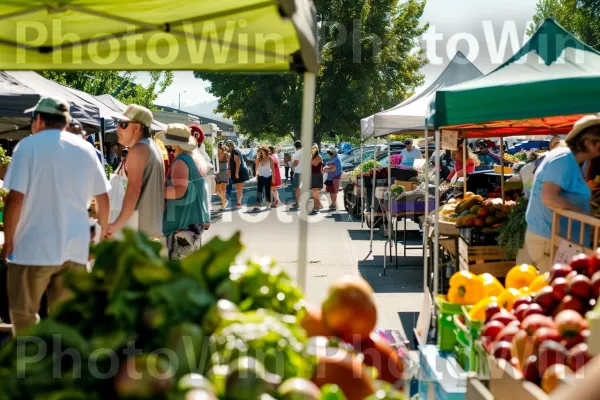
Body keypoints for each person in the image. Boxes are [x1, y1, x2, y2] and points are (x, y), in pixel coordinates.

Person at [3, 96, 110, 335]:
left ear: (39, 120)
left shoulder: (28, 147)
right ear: (65, 121)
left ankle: (31, 365)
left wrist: (8, 240)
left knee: (24, 316)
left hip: (32, 249)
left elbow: (15, 200)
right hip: (75, 249)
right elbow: (103, 198)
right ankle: (63, 365)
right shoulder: (86, 149)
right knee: (68, 320)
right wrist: (100, 237)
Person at [525, 115, 600, 273]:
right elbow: (549, 197)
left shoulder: (570, 160)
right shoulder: (563, 159)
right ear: (587, 142)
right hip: (551, 240)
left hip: (562, 241)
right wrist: (588, 219)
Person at [108, 104, 165, 238]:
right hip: (147, 229)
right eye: (117, 123)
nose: (117, 129)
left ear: (137, 127)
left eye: (123, 124)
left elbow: (133, 191)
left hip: (134, 232)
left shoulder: (138, 150)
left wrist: (115, 225)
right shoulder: (152, 147)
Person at [157, 124, 210, 260]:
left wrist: (155, 191)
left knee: (178, 268)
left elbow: (179, 191)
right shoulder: (192, 158)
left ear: (175, 144)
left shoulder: (180, 161)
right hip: (191, 222)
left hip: (181, 224)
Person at [227, 140, 250, 209]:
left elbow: (238, 163)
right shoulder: (233, 151)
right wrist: (230, 171)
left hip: (240, 171)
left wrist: (236, 173)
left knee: (238, 188)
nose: (227, 148)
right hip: (239, 171)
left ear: (230, 146)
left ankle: (239, 203)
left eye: (228, 146)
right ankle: (239, 203)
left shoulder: (235, 151)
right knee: (239, 188)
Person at [254, 145, 274, 211]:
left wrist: (274, 176)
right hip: (261, 176)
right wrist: (256, 176)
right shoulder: (258, 159)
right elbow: (256, 169)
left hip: (268, 176)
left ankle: (268, 203)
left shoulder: (270, 158)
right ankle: (258, 205)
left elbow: (273, 168)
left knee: (267, 190)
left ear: (265, 151)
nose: (261, 153)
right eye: (260, 152)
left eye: (262, 151)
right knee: (259, 191)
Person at [216, 142, 230, 210]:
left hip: (224, 172)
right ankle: (224, 200)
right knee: (216, 190)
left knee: (223, 189)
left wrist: (229, 170)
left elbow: (231, 163)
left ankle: (223, 205)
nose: (217, 149)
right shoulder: (216, 155)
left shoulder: (226, 154)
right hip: (217, 173)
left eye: (218, 148)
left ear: (221, 148)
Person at [310, 144, 324, 213]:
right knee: (314, 191)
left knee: (314, 191)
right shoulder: (313, 156)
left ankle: (316, 206)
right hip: (314, 175)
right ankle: (319, 204)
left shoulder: (318, 157)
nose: (312, 150)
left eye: (314, 148)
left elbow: (311, 163)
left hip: (316, 175)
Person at [291, 141, 303, 209]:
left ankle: (298, 203)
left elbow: (296, 162)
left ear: (295, 146)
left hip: (299, 172)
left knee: (297, 188)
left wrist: (293, 166)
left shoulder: (297, 152)